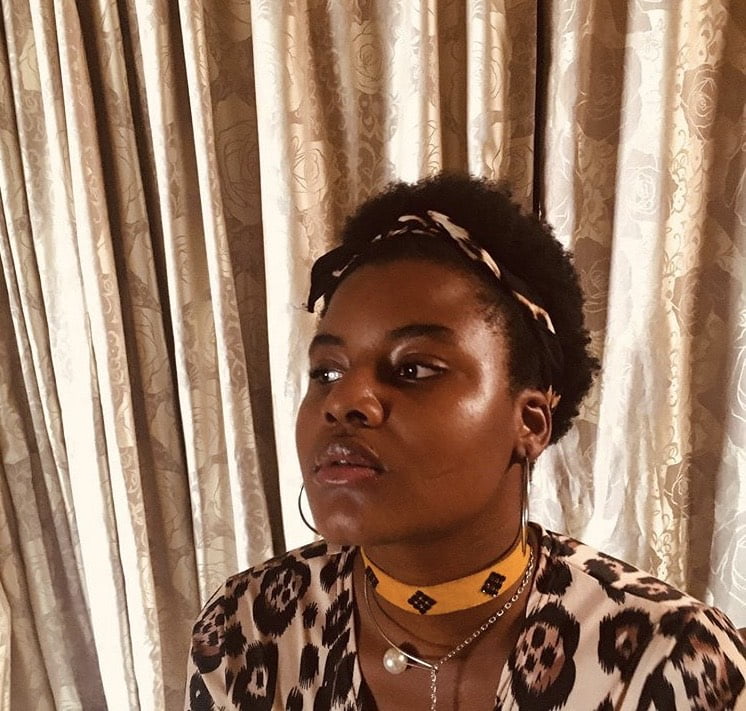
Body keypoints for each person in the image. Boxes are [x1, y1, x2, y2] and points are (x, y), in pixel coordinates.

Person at [185, 173, 746, 710]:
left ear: (530, 423)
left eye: (414, 369)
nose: (344, 400)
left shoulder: (668, 660)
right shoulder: (249, 630)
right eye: (326, 372)